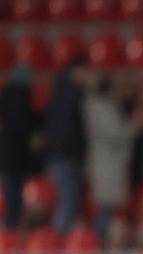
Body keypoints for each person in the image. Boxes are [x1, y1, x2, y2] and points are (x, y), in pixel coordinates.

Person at [84, 75, 136, 246]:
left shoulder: (101, 107)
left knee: (108, 209)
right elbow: (116, 134)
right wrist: (134, 125)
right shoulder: (101, 108)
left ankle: (102, 244)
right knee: (105, 208)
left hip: (107, 163)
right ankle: (99, 245)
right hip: (107, 163)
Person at [45, 56, 88, 235]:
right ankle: (58, 243)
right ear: (75, 72)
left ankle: (63, 241)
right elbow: (68, 130)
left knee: (70, 203)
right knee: (67, 203)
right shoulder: (72, 95)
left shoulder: (59, 92)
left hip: (61, 156)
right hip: (64, 156)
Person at [0, 65, 36, 230]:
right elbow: (24, 129)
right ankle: (11, 232)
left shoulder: (5, 98)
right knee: (14, 202)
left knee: (11, 201)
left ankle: (11, 232)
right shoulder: (21, 99)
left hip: (7, 159)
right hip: (15, 160)